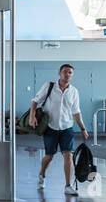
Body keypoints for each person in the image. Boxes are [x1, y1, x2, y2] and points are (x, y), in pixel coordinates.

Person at [28, 63, 90, 195]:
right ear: (59, 73)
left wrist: (83, 128)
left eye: (70, 73)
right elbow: (35, 101)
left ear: (72, 75)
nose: (67, 74)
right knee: (49, 156)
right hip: (50, 127)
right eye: (65, 72)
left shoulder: (74, 92)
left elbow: (76, 112)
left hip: (67, 127)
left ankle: (68, 185)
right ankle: (41, 175)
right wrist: (32, 116)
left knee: (68, 155)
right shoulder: (49, 86)